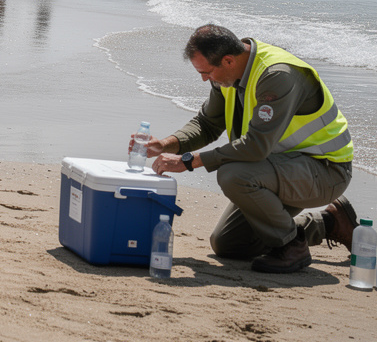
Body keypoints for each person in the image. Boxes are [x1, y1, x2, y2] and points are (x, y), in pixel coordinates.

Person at [134, 24, 357, 274]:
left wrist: (189, 161)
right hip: (280, 168)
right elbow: (207, 124)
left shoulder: (277, 76)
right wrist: (166, 144)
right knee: (229, 244)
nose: (204, 79)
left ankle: (293, 246)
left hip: (325, 172)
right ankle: (329, 223)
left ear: (228, 60)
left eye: (206, 72)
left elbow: (255, 148)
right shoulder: (227, 76)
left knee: (233, 175)